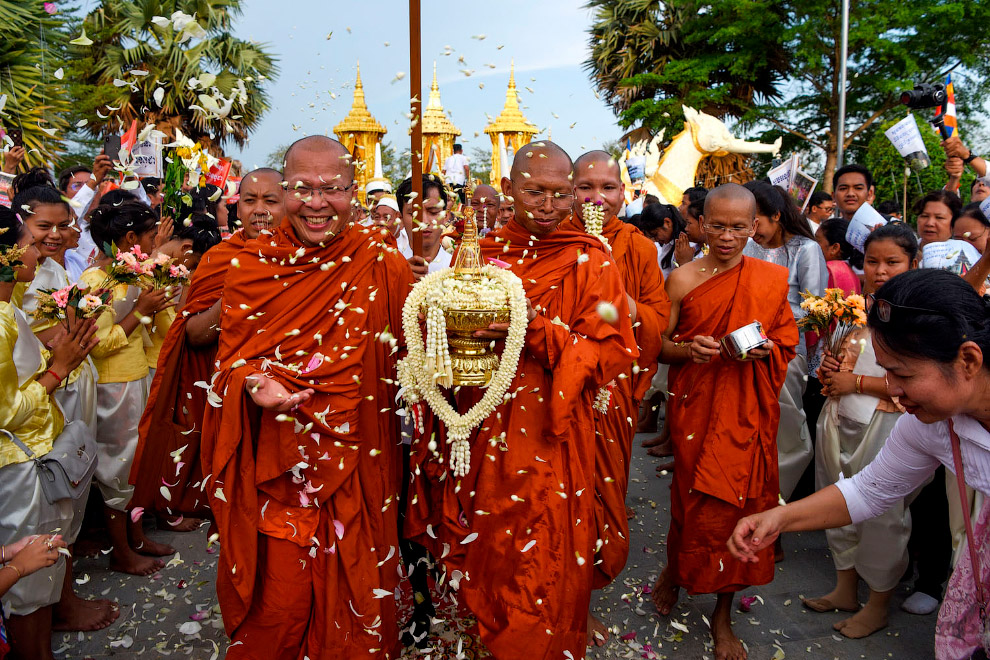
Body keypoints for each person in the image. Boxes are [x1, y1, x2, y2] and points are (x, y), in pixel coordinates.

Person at [405, 141, 638, 659]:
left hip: (551, 439)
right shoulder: (481, 256)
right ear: (509, 189)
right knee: (483, 549)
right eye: (535, 191)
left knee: (543, 557)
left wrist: (531, 329)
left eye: (561, 193)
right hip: (477, 430)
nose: (550, 205)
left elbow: (610, 349)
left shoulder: (593, 263)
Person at [200, 137, 413, 658]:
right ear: (284, 190)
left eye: (332, 189)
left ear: (353, 191)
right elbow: (230, 363)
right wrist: (253, 383)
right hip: (282, 469)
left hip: (363, 461)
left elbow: (413, 356)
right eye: (302, 189)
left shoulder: (381, 261)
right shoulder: (250, 267)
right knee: (280, 606)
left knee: (360, 597)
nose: (317, 203)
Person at [728, 268, 990, 660]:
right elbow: (869, 490)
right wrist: (778, 518)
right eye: (885, 371)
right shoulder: (929, 424)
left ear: (968, 360)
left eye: (902, 374)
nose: (893, 389)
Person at [653, 183, 797, 660]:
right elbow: (657, 344)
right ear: (699, 223)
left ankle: (722, 616)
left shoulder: (771, 279)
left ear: (754, 227)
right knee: (691, 503)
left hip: (748, 414)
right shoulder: (683, 278)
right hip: (697, 407)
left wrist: (767, 350)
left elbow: (785, 341)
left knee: (741, 510)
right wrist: (688, 350)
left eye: (739, 227)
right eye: (717, 225)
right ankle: (677, 568)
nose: (728, 236)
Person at [131, 168, 284, 532]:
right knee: (237, 511)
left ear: (290, 204)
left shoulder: (311, 256)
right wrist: (236, 288)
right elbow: (195, 335)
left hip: (292, 400)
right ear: (238, 207)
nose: (259, 210)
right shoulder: (221, 259)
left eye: (270, 200)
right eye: (250, 200)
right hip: (234, 401)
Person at [563, 150, 672, 646]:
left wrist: (618, 297)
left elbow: (657, 320)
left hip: (611, 394)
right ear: (570, 191)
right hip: (555, 391)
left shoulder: (639, 248)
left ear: (624, 195)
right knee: (554, 501)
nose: (597, 198)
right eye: (586, 186)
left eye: (608, 187)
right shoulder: (550, 241)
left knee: (596, 499)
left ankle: (580, 601)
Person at [13, 187, 120, 632]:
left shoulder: (52, 267)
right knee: (54, 501)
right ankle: (52, 603)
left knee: (70, 494)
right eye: (43, 227)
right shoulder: (18, 277)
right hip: (45, 395)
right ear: (22, 229)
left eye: (63, 225)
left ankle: (62, 594)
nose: (55, 235)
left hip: (74, 382)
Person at [804, 223, 918, 638]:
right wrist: (831, 368)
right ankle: (845, 589)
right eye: (873, 261)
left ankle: (878, 603)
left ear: (913, 264)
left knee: (883, 515)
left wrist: (858, 383)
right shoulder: (854, 307)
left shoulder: (919, 318)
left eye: (893, 262)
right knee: (838, 501)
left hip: (888, 424)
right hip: (838, 417)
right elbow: (834, 362)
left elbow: (922, 385)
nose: (881, 270)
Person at [0, 209, 101, 660]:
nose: (38, 246)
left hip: (35, 452)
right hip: (19, 465)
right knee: (27, 585)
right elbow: (5, 412)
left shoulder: (11, 304)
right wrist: (59, 369)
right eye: (27, 240)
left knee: (41, 572)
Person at [82, 201, 178, 576]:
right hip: (112, 386)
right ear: (129, 238)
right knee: (117, 469)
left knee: (134, 464)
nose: (157, 241)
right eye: (152, 235)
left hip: (134, 376)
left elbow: (154, 327)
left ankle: (136, 538)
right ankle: (122, 551)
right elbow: (99, 343)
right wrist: (142, 311)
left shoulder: (130, 275)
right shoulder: (95, 281)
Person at [744, 181, 828, 505]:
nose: (752, 231)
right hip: (749, 346)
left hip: (786, 350)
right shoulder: (750, 245)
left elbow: (816, 309)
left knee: (784, 426)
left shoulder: (807, 250)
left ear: (776, 216)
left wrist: (775, 326)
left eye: (757, 222)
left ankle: (777, 501)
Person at [395, 173, 449, 279]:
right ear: (400, 218)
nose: (423, 221)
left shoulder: (457, 267)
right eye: (414, 214)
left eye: (433, 212)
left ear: (445, 216)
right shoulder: (389, 269)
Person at [636, 202, 686, 279]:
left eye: (655, 234)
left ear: (667, 223)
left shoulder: (684, 247)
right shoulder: (667, 244)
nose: (655, 240)